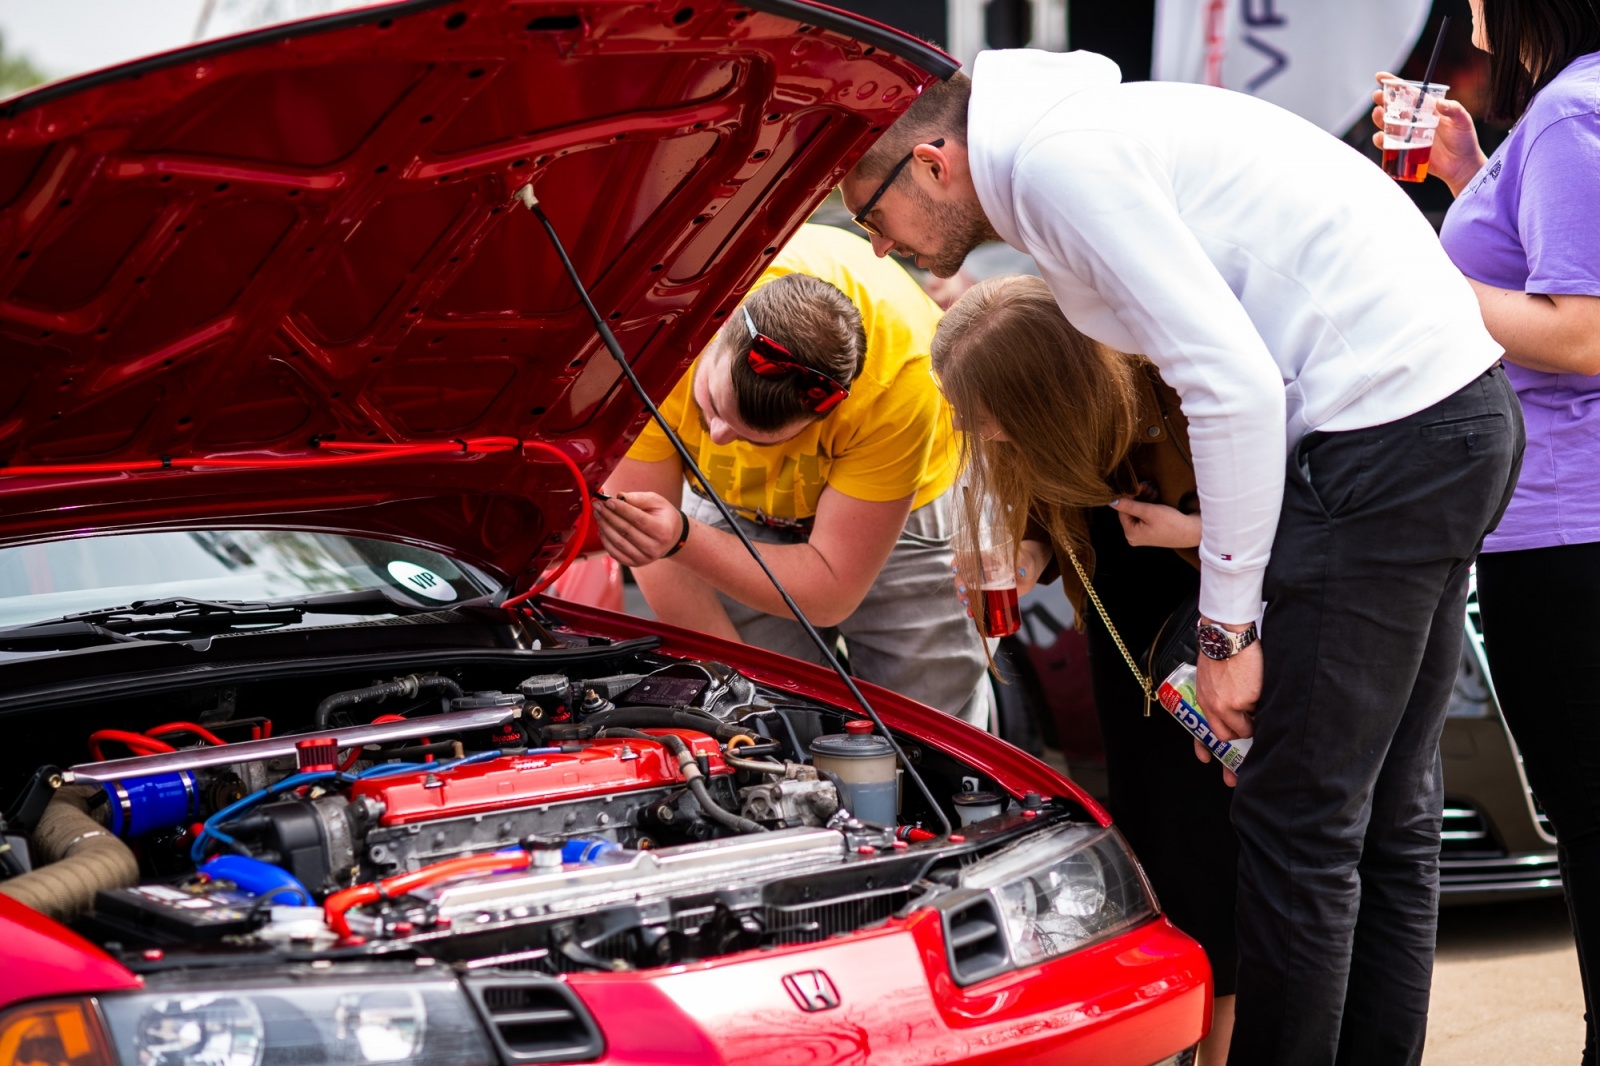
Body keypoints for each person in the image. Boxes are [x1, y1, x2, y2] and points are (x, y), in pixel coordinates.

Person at [841, 54, 1524, 1065]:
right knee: (1382, 817)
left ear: (935, 163)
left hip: (1385, 435)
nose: (878, 241)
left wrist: (1228, 630)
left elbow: (1232, 386)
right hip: (1449, 417)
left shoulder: (1060, 162)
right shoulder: (1087, 136)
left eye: (872, 212)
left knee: (1298, 825)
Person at [1371, 2, 1600, 1060]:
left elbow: (1582, 335)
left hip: (1563, 533)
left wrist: (1412, 274)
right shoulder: (1561, 113)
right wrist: (1472, 177)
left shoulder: (1569, 112)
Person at [934, 273, 1236, 1065]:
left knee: (1225, 904)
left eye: (982, 411)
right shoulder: (1049, 433)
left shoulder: (1170, 405)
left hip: (1210, 657)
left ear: (1040, 390)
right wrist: (1024, 552)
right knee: (1173, 884)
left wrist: (1185, 533)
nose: (977, 431)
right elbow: (1051, 530)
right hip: (1125, 668)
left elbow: (1281, 543)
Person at [593, 224, 991, 726]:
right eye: (713, 405)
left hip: (905, 511)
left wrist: (681, 538)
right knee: (773, 717)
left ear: (823, 419)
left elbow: (830, 590)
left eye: (753, 439)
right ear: (721, 331)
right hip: (724, 508)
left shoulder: (899, 384)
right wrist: (735, 695)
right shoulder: (655, 339)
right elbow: (647, 543)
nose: (715, 435)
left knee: (928, 722)